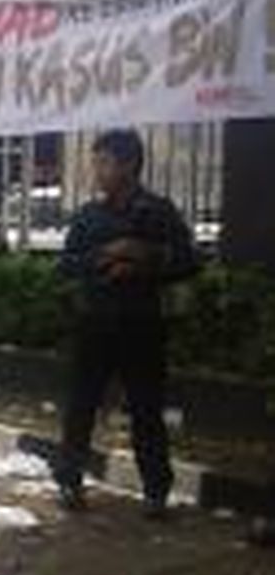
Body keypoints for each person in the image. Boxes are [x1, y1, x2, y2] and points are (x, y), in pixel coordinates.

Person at [55, 129, 199, 520]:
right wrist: (106, 255)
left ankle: (156, 491)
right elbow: (65, 266)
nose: (96, 171)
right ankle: (69, 481)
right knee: (81, 405)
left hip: (142, 325)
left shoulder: (158, 212)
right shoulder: (89, 216)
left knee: (146, 410)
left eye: (103, 163)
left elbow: (188, 261)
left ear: (129, 165)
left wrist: (144, 257)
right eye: (95, 162)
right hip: (94, 323)